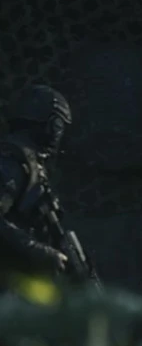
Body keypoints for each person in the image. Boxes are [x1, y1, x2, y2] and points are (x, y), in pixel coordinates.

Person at [0, 84, 73, 279]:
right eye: (59, 125)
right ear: (50, 125)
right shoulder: (12, 161)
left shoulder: (30, 163)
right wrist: (40, 252)